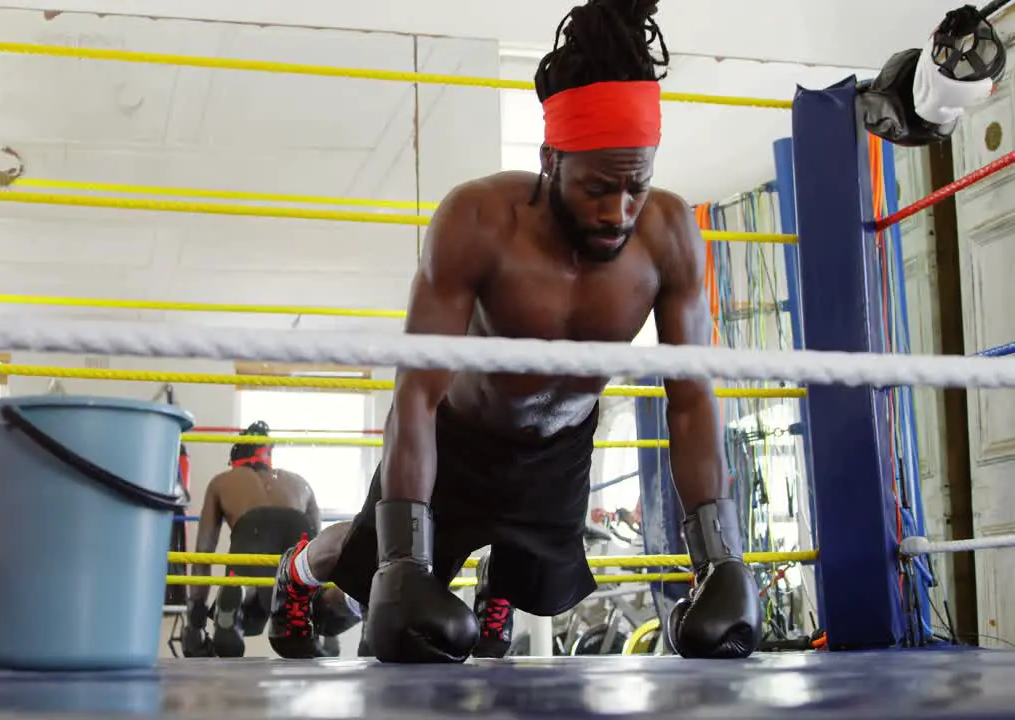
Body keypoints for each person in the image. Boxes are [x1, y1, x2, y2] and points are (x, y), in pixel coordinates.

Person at [265, 0, 762, 663]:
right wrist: (403, 562)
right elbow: (416, 391)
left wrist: (720, 560)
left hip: (558, 455)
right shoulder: (478, 220)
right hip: (456, 443)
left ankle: (497, 582)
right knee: (354, 587)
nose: (618, 211)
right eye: (595, 188)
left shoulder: (667, 233)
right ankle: (298, 572)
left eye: (634, 186)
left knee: (495, 634)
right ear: (550, 158)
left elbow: (694, 399)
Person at [181, 421, 362, 657]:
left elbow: (203, 553)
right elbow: (322, 557)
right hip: (297, 531)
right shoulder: (299, 484)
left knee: (250, 584)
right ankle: (356, 606)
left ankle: (239, 591)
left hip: (251, 531)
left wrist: (194, 623)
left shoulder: (222, 482)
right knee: (302, 588)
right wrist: (330, 636)